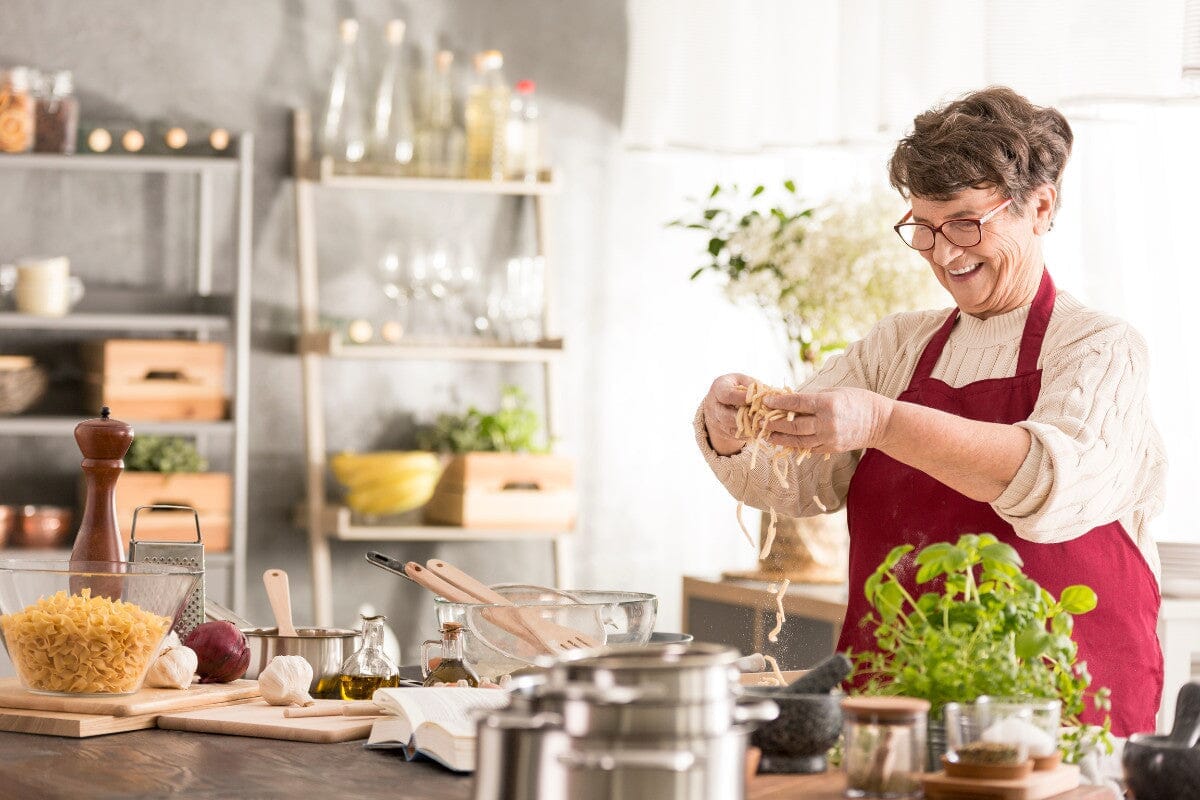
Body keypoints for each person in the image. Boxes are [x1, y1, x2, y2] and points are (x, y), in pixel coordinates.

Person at [696, 86, 1165, 737]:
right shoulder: (896, 345)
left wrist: (885, 424)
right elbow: (795, 480)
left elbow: (1050, 485)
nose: (946, 254)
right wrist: (733, 431)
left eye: (967, 223)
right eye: (924, 227)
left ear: (1040, 206)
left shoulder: (1097, 347)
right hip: (895, 710)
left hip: (1054, 721)